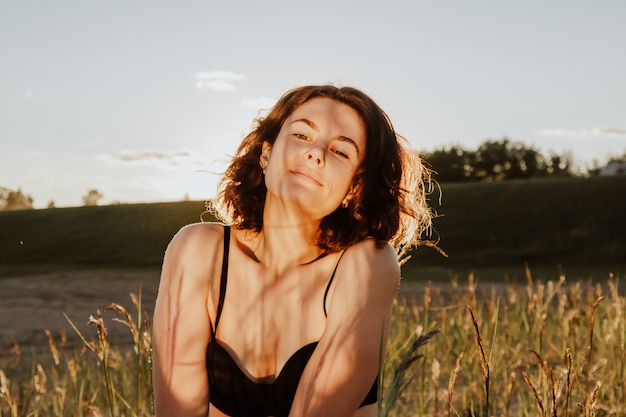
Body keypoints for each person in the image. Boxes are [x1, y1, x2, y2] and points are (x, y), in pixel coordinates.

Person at [152, 85, 435, 417]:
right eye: (302, 135)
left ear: (354, 186)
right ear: (267, 154)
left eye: (341, 152)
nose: (316, 153)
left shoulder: (366, 264)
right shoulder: (199, 252)